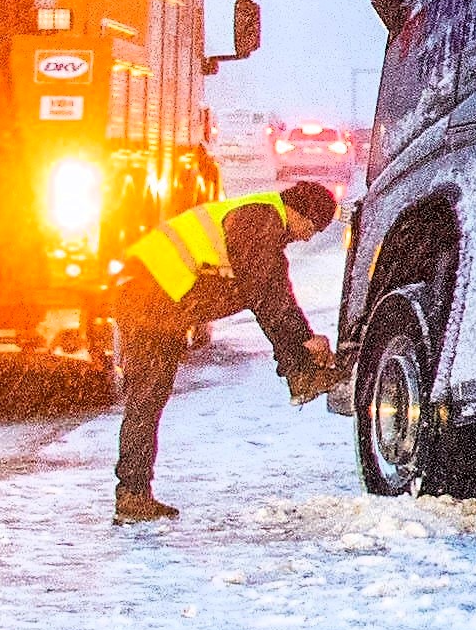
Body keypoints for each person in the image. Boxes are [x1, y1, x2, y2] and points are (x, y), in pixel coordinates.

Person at [106, 169, 339, 522]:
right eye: (313, 228)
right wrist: (304, 341)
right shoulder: (260, 221)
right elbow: (269, 296)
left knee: (149, 399)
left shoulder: (262, 221)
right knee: (146, 397)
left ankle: (134, 493)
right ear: (300, 213)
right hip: (148, 299)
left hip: (157, 300)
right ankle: (132, 495)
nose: (308, 238)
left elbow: (272, 291)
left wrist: (301, 340)